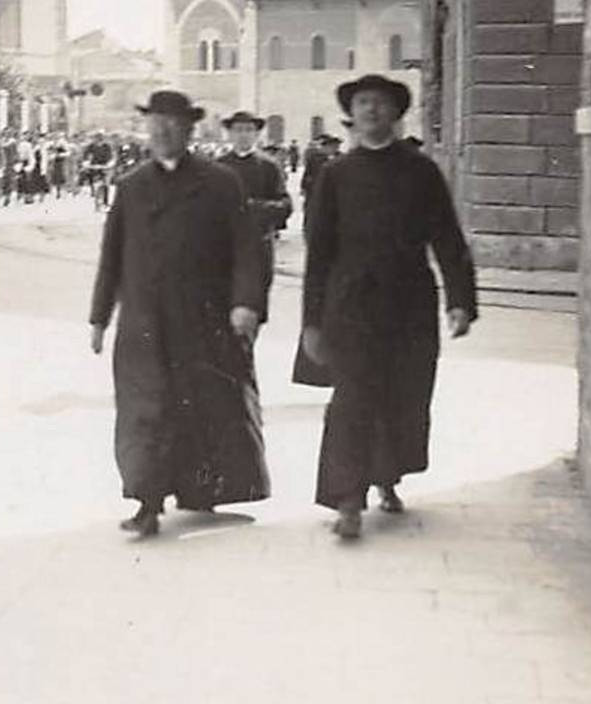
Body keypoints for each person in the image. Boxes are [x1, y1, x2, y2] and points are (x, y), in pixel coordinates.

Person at [301, 74, 477, 540]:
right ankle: (347, 500)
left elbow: (448, 238)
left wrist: (461, 301)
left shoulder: (420, 171)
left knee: (402, 396)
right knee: (352, 400)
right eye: (362, 103)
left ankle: (387, 477)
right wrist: (312, 322)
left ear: (395, 113)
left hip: (409, 305)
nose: (371, 111)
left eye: (380, 103)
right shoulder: (336, 174)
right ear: (352, 114)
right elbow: (318, 251)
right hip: (351, 305)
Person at [88, 89, 269, 538]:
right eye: (156, 124)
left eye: (172, 124)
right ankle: (147, 503)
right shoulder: (131, 186)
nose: (163, 132)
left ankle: (200, 489)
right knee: (144, 411)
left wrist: (246, 304)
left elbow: (246, 250)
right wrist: (98, 317)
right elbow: (111, 256)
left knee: (202, 405)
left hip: (202, 320)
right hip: (144, 324)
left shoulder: (221, 182)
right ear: (147, 130)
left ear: (189, 130)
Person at [217, 112, 294, 320]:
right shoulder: (217, 166)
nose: (243, 135)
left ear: (257, 134)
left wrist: (254, 208)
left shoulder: (268, 166)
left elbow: (285, 205)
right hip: (223, 249)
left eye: (249, 130)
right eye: (238, 130)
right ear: (230, 134)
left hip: (257, 249)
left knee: (252, 313)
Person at [82, 130, 114, 211]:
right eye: (97, 136)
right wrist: (86, 163)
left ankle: (105, 203)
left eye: (101, 136)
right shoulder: (91, 146)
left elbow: (111, 157)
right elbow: (86, 156)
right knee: (94, 183)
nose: (99, 138)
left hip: (105, 167)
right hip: (94, 167)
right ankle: (96, 199)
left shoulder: (107, 146)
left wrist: (109, 164)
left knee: (106, 184)